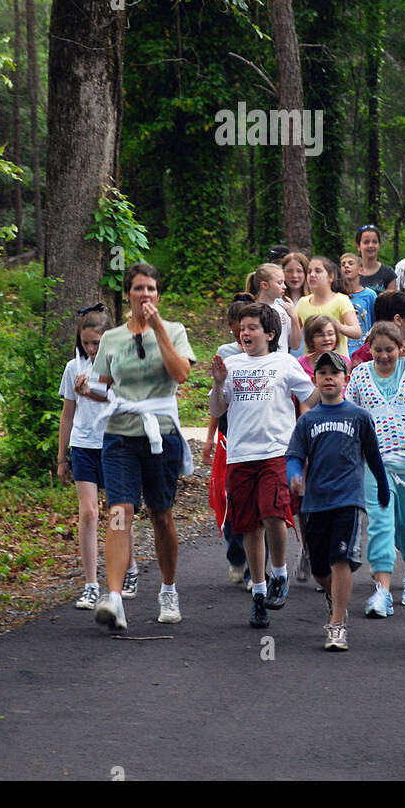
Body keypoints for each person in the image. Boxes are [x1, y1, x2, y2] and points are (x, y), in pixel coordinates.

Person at [90, 263, 196, 632]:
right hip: (120, 435)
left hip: (160, 435)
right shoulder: (112, 338)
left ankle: (168, 588)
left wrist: (159, 330)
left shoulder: (175, 331)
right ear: (128, 295)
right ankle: (115, 598)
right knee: (120, 512)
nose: (145, 295)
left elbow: (181, 373)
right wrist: (90, 390)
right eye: (138, 289)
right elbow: (102, 385)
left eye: (151, 289)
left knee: (161, 515)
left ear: (158, 295)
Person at [210, 302, 317, 628]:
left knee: (274, 512)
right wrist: (217, 383)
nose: (245, 333)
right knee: (248, 526)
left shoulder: (284, 362)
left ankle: (280, 574)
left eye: (253, 327)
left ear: (270, 334)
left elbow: (310, 397)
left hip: (276, 452)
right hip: (241, 455)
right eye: (242, 328)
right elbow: (218, 408)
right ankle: (258, 593)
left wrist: (312, 420)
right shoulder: (231, 363)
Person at [286, 350, 390, 651]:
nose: (329, 378)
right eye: (323, 373)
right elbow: (295, 455)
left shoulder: (359, 417)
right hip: (316, 502)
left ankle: (337, 623)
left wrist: (383, 489)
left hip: (348, 499)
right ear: (315, 380)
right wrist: (294, 475)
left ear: (346, 379)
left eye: (335, 373)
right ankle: (333, 597)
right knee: (320, 567)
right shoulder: (308, 420)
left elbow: (373, 455)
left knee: (339, 559)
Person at [346, 323, 405, 615]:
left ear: (401, 348)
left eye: (390, 350)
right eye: (378, 350)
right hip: (377, 463)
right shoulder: (359, 375)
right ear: (369, 348)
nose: (384, 356)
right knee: (381, 525)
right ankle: (382, 590)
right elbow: (350, 414)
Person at [57, 305, 122, 610]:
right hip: (83, 445)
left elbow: (122, 403)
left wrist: (93, 393)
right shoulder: (73, 368)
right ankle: (91, 584)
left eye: (97, 343)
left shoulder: (120, 365)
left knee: (119, 513)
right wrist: (61, 457)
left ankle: (127, 568)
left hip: (114, 443)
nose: (91, 349)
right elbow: (67, 413)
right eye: (86, 343)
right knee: (88, 513)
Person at [203, 300, 253, 585]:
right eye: (236, 333)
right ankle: (236, 553)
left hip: (257, 438)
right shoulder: (226, 355)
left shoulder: (270, 354)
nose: (241, 338)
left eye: (246, 331)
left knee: (257, 504)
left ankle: (254, 571)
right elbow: (217, 400)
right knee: (227, 497)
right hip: (228, 435)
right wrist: (209, 438)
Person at [295, 256, 361, 356]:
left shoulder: (341, 300)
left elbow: (356, 332)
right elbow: (295, 343)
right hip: (311, 366)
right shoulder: (302, 303)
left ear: (331, 277)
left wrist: (339, 326)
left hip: (337, 364)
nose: (312, 275)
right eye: (309, 272)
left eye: (318, 271)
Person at [246, 261, 300, 355]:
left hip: (281, 364)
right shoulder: (251, 310)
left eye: (284, 282)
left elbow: (295, 345)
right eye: (279, 283)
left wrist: (294, 317)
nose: (284, 287)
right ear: (265, 285)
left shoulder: (284, 308)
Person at [339, 251, 377, 357]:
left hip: (364, 350)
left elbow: (375, 322)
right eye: (343, 264)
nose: (346, 266)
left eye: (350, 263)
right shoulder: (337, 295)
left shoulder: (370, 295)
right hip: (343, 351)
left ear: (360, 270)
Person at [281, 251, 310, 355]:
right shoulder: (278, 302)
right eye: (289, 271)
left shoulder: (313, 300)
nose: (294, 275)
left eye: (299, 271)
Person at [355, 224, 397, 293]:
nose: (371, 245)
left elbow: (392, 302)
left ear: (379, 245)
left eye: (374, 242)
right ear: (358, 246)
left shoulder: (388, 273)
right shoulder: (351, 272)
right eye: (366, 242)